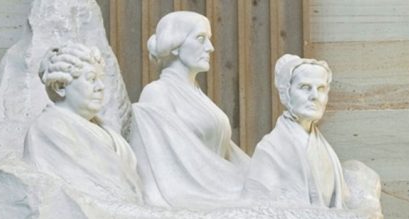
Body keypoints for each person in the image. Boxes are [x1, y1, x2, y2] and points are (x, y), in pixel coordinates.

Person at [130, 11, 249, 208]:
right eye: (201, 39)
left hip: (220, 188)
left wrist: (259, 177)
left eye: (209, 40)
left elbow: (229, 153)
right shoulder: (157, 93)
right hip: (192, 196)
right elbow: (162, 167)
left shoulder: (199, 96)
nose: (210, 48)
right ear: (174, 46)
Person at [23, 43, 143, 202]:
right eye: (91, 79)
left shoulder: (105, 130)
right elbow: (87, 193)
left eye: (101, 79)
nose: (100, 87)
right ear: (60, 86)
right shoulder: (50, 128)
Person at [245, 54, 350, 209]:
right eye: (305, 87)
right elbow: (258, 207)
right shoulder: (269, 150)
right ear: (286, 93)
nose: (315, 96)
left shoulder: (326, 149)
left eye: (321, 88)